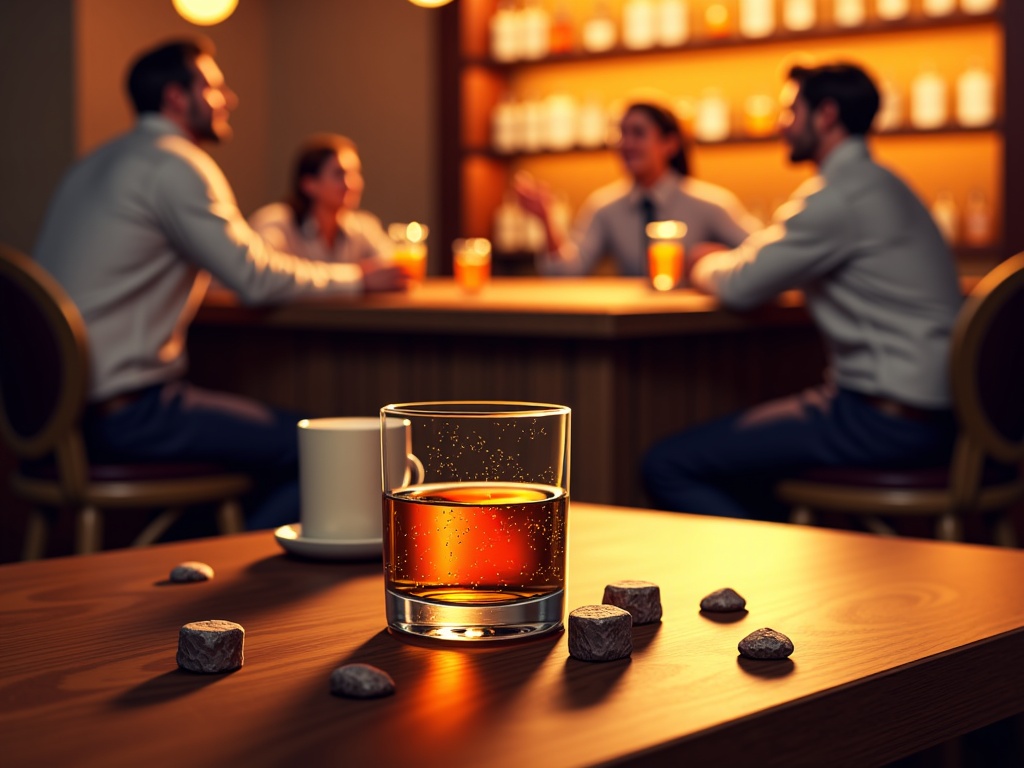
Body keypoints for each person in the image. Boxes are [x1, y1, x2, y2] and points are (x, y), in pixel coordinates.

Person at [32, 37, 408, 532]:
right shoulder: (176, 163)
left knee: (280, 447)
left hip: (50, 417)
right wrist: (360, 279)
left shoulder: (92, 165)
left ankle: (192, 549)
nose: (228, 98)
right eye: (211, 86)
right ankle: (229, 577)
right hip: (127, 415)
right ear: (174, 98)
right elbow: (254, 278)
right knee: (326, 452)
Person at [642, 62, 963, 521]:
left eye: (790, 110)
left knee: (666, 464)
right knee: (752, 468)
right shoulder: (885, 185)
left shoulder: (837, 197)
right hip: (938, 416)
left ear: (826, 115)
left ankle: (748, 584)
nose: (780, 124)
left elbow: (740, 285)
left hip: (882, 421)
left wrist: (699, 262)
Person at [514, 100, 761, 277]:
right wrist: (545, 219)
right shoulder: (605, 207)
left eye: (638, 133)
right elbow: (567, 272)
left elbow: (761, 253)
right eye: (622, 133)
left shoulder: (710, 204)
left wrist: (720, 258)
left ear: (670, 144)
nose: (626, 143)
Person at [249, 133, 395, 264]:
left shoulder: (364, 227)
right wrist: (358, 276)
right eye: (339, 174)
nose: (351, 183)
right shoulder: (277, 222)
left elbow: (392, 264)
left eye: (356, 173)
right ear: (309, 184)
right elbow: (259, 270)